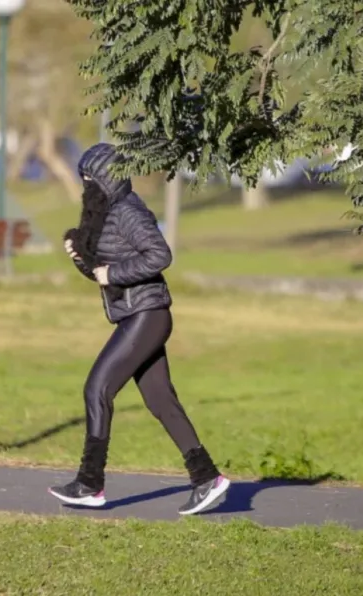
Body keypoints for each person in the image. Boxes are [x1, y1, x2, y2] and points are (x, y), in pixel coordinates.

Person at [48, 142, 230, 516]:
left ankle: (89, 483)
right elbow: (104, 278)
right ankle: (207, 479)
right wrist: (82, 259)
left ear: (107, 178)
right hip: (136, 314)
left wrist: (111, 272)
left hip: (148, 314)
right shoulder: (107, 213)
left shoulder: (128, 211)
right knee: (161, 400)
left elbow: (160, 255)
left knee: (98, 388)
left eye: (90, 179)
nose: (86, 187)